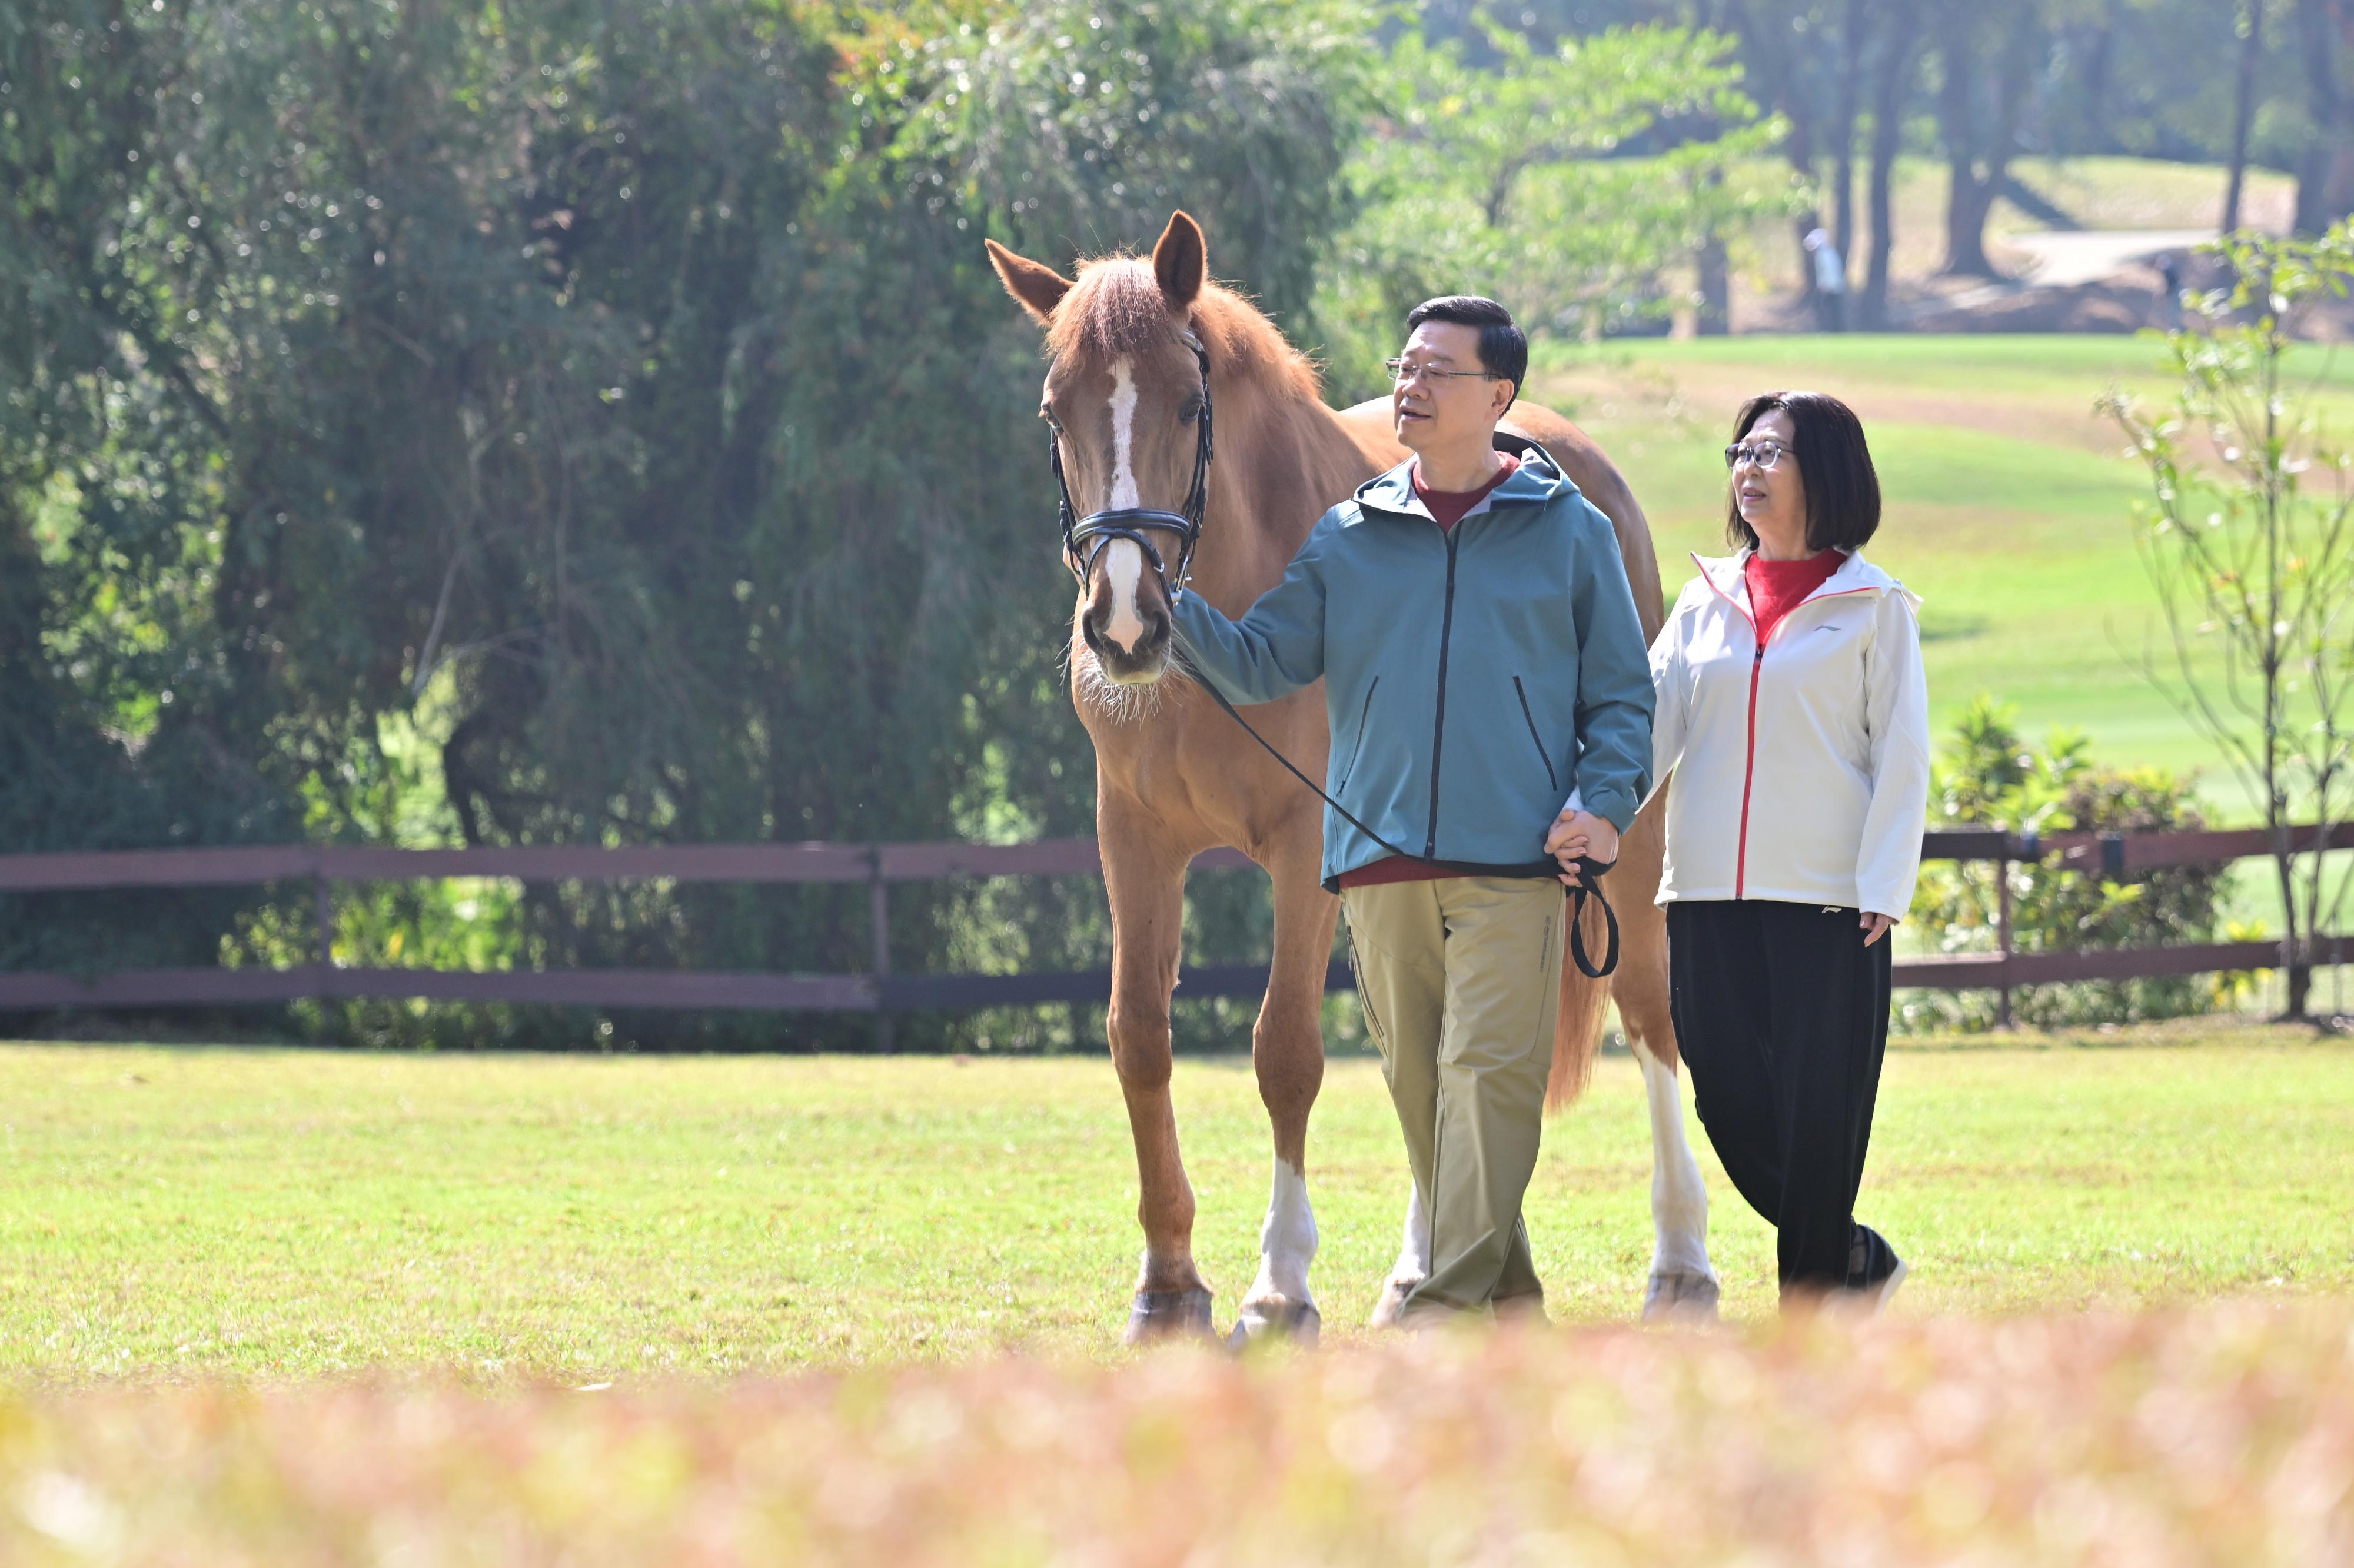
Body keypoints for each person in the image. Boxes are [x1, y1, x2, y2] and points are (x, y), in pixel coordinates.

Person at [1171, 297, 1655, 1325]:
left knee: (1488, 1077)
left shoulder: (1571, 534)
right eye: (1405, 366)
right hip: (1378, 865)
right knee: (1429, 1102)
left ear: (1500, 397)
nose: (1410, 385)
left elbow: (1622, 696)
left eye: (1439, 370)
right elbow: (1265, 663)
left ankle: (1442, 1308)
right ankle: (1508, 1303)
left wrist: (1604, 804)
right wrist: (1163, 607)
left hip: (1516, 861)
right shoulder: (1349, 536)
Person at [1646, 391, 1929, 1307]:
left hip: (1830, 899)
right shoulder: (1702, 600)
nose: (1750, 469)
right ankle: (1853, 1254)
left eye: (1773, 452)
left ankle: (1812, 1310)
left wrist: (1883, 883)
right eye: (1743, 451)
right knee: (1725, 1101)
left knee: (1819, 1114)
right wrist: (1592, 812)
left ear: (1829, 473)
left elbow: (1903, 755)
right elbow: (1648, 732)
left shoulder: (1876, 607)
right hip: (1703, 899)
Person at [1804, 229, 1848, 333]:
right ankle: (1834, 331)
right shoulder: (1829, 252)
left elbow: (1827, 272)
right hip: (1834, 287)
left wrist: (1824, 286)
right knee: (1834, 310)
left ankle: (1830, 330)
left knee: (1829, 310)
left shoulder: (1823, 254)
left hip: (1830, 288)